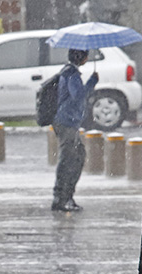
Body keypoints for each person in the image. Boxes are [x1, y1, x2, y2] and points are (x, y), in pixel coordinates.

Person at [51, 49, 99, 212]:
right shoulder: (71, 74)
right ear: (83, 58)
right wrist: (92, 82)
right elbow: (78, 96)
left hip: (69, 122)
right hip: (67, 122)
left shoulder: (69, 72)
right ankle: (61, 198)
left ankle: (67, 195)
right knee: (69, 159)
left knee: (78, 156)